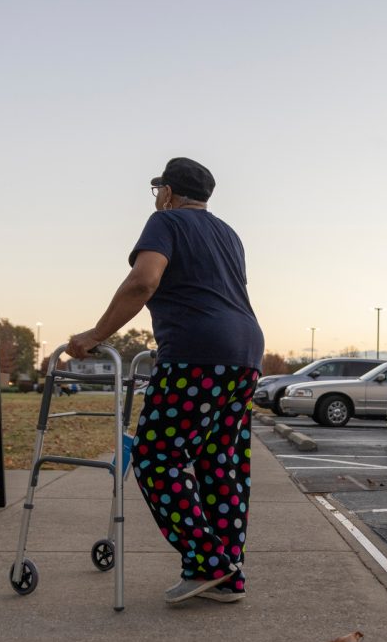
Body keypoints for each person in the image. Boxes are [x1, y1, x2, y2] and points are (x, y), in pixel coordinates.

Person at [69, 157, 264, 605]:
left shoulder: (165, 221)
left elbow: (144, 281)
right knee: (221, 463)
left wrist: (96, 334)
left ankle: (207, 562)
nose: (157, 196)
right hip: (245, 352)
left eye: (159, 189)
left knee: (158, 459)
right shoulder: (229, 234)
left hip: (198, 352)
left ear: (169, 192)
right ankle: (228, 574)